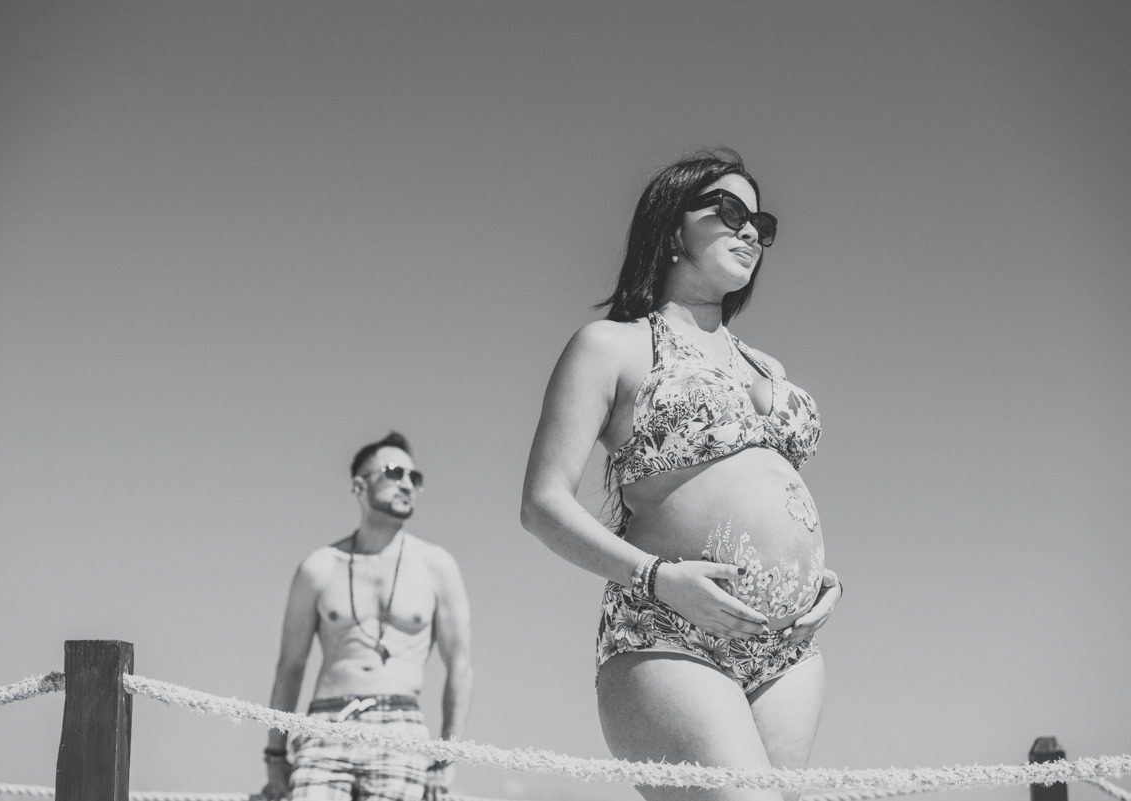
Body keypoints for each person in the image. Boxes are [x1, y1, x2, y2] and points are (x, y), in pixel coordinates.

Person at [520, 150, 843, 801]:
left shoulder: (768, 367)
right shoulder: (612, 345)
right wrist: (658, 577)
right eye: (728, 210)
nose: (749, 230)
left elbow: (768, 490)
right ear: (671, 227)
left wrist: (818, 578)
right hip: (667, 631)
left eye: (761, 223)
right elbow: (542, 503)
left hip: (786, 648)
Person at [259, 431, 473, 801]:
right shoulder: (319, 568)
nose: (407, 484)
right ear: (359, 486)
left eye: (415, 477)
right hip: (326, 723)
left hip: (400, 726)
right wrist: (275, 755)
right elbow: (291, 665)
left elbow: (460, 666)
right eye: (394, 472)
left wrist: (446, 758)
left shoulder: (436, 566)